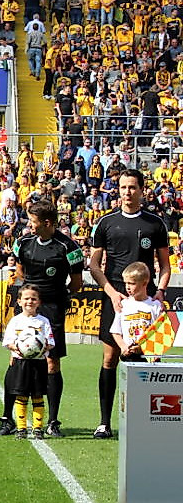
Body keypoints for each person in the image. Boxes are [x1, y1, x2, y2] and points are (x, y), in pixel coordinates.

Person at [88, 170, 171, 439]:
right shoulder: (106, 222)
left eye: (132, 187)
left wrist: (160, 292)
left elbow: (165, 265)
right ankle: (104, 422)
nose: (127, 192)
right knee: (110, 357)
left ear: (142, 190)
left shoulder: (155, 224)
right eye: (123, 187)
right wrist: (112, 293)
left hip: (146, 299)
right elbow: (94, 265)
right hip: (116, 297)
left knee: (149, 359)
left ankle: (148, 423)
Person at [2, 199, 83, 437]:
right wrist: (30, 298)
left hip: (52, 309)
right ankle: (8, 418)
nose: (29, 225)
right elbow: (20, 271)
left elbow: (76, 283)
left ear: (47, 223)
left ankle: (52, 421)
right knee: (16, 359)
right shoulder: (22, 242)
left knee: (51, 362)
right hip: (26, 307)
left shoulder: (69, 248)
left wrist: (54, 297)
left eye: (33, 221)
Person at [2, 285, 55, 439]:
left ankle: (38, 428)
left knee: (38, 396)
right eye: (26, 298)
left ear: (39, 302)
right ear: (19, 301)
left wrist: (42, 347)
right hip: (21, 363)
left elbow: (51, 342)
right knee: (21, 396)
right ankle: (21, 428)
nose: (30, 301)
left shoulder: (43, 322)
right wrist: (16, 348)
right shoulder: (15, 321)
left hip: (39, 363)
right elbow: (8, 342)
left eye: (33, 299)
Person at [110, 262, 163, 365]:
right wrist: (123, 347)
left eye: (132, 283)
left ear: (144, 283)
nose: (127, 287)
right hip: (129, 356)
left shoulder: (155, 305)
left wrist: (147, 347)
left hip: (150, 356)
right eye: (126, 283)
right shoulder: (123, 305)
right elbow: (115, 331)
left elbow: (161, 332)